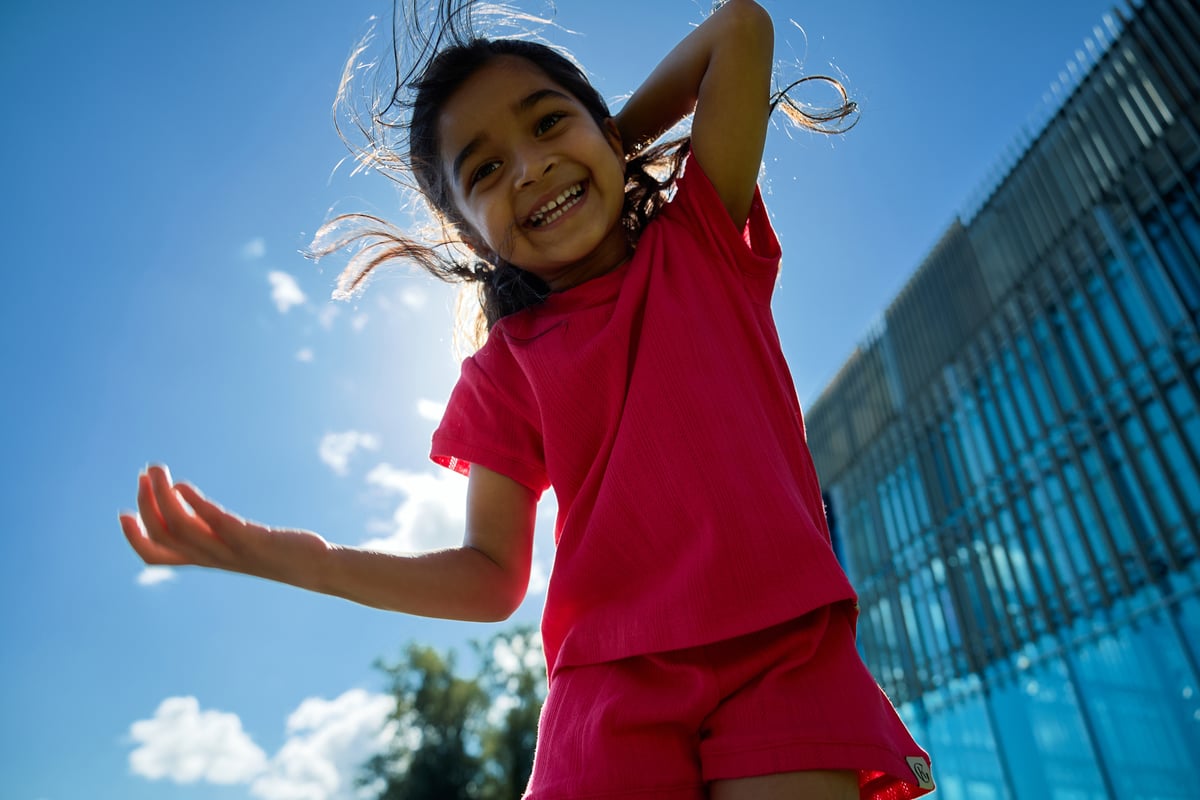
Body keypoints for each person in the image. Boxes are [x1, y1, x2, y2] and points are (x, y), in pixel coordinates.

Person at [120, 1, 935, 797]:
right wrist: (303, 560)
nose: (529, 167)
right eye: (485, 170)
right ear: (471, 234)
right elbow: (489, 578)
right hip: (610, 694)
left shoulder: (703, 241)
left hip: (783, 655)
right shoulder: (504, 369)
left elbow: (741, 27)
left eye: (548, 124)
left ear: (608, 130)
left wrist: (607, 147)